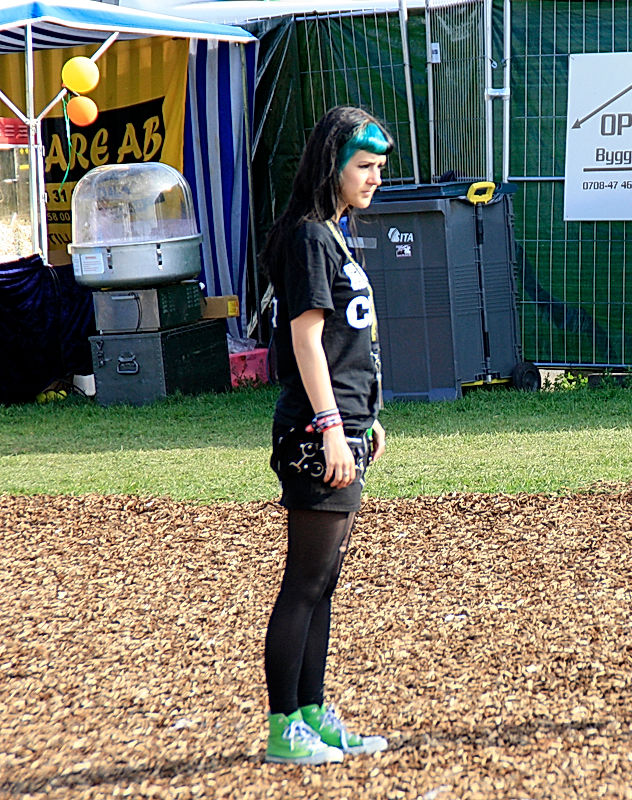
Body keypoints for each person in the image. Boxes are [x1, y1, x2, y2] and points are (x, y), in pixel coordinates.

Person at [260, 106, 394, 763]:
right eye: (364, 166)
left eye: (379, 168)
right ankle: (284, 727)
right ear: (331, 164)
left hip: (342, 426)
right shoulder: (311, 236)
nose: (374, 178)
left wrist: (368, 418)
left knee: (324, 583)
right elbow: (306, 340)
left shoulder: (332, 233)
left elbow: (347, 341)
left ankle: (312, 714)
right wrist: (333, 428)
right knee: (304, 583)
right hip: (317, 435)